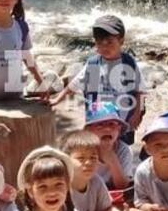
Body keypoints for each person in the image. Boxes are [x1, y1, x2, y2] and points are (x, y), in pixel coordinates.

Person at [50, 15, 145, 144]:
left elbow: (140, 91)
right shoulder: (93, 64)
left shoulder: (128, 63)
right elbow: (73, 85)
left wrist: (137, 114)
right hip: (97, 123)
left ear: (121, 41)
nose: (105, 47)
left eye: (109, 42)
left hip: (123, 124)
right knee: (97, 152)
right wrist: (56, 99)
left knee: (122, 153)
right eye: (100, 43)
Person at [62, 130, 144, 211]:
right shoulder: (61, 188)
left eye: (93, 158)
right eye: (81, 158)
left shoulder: (96, 181)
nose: (88, 163)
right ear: (66, 160)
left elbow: (105, 209)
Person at [82, 102, 134, 191]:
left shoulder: (123, 150)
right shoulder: (82, 149)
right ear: (89, 130)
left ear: (119, 129)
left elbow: (122, 186)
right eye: (100, 125)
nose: (107, 129)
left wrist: (112, 160)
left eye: (112, 124)